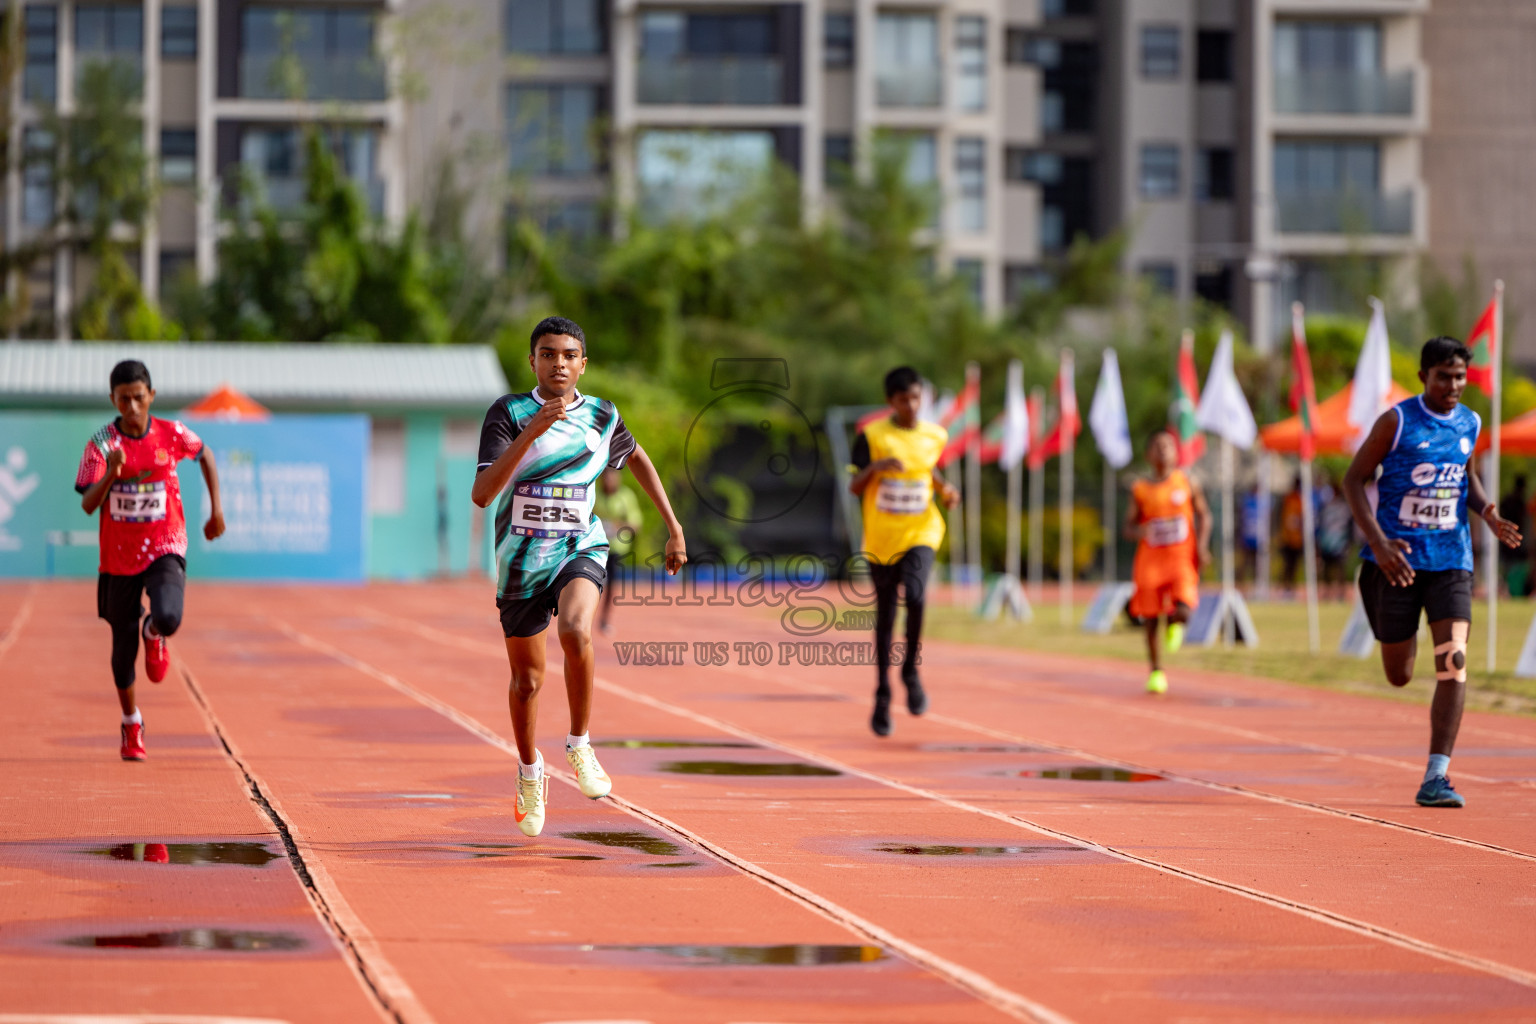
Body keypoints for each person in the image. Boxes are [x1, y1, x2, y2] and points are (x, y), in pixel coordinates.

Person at [472, 316, 686, 838]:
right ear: (533, 362)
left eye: (569, 355)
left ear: (582, 364)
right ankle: (529, 773)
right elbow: (483, 494)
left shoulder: (602, 415)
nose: (559, 363)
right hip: (522, 560)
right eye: (548, 354)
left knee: (576, 630)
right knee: (526, 681)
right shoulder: (508, 413)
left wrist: (674, 527)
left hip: (579, 545)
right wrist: (532, 433)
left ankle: (580, 743)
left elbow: (637, 460)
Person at [1343, 336, 1521, 808]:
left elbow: (1466, 473)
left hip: (1451, 560)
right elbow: (1353, 479)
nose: (1454, 385)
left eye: (1461, 376)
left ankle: (1436, 777)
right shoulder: (1397, 421)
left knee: (1453, 661)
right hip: (1396, 564)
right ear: (1424, 376)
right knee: (1399, 675)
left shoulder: (1470, 421)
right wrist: (1378, 544)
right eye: (1444, 376)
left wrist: (1487, 512)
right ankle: (1401, 629)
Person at [74, 360, 225, 762]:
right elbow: (89, 504)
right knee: (123, 654)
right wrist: (111, 476)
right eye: (123, 399)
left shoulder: (172, 433)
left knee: (171, 616)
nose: (132, 407)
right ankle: (131, 723)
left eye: (139, 397)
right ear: (113, 400)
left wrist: (216, 511)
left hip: (164, 544)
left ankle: (154, 630)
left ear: (151, 396)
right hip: (119, 557)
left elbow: (206, 455)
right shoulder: (101, 444)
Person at [848, 366, 959, 737]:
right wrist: (876, 467)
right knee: (886, 615)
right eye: (903, 399)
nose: (911, 405)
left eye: (916, 397)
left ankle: (910, 671)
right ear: (890, 402)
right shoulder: (872, 436)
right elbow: (854, 486)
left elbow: (929, 471)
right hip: (882, 538)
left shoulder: (935, 435)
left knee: (916, 594)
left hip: (921, 530)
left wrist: (945, 491)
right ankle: (882, 692)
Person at [1125, 429, 1211, 695]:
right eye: (1158, 446)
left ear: (1176, 453)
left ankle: (1175, 624)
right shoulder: (1140, 489)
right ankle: (1156, 670)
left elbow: (1205, 516)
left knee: (1184, 608)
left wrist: (1204, 546)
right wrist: (1140, 531)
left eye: (1168, 446)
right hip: (1150, 561)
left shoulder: (1186, 483)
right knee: (1150, 618)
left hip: (1181, 559)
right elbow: (1127, 526)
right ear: (1149, 454)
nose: (1163, 451)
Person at [592, 466, 642, 634]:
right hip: (594, 546)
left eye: (612, 476)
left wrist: (617, 526)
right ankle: (584, 615)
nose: (609, 480)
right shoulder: (594, 494)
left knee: (611, 585)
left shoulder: (626, 497)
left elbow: (636, 525)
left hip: (616, 548)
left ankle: (605, 619)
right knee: (589, 582)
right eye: (606, 476)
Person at [1317, 478, 1354, 600]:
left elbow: (1350, 525)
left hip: (1340, 541)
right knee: (1327, 568)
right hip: (1327, 541)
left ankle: (1341, 593)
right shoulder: (1326, 507)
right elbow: (1320, 524)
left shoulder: (1344, 507)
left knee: (1340, 568)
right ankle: (1327, 592)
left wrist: (1349, 541)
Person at [1499, 474, 1530, 596]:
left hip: (1506, 538)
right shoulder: (1519, 502)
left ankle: (1509, 591)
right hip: (1516, 540)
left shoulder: (1508, 499)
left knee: (1509, 568)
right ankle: (1510, 592)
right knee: (1513, 568)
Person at [1279, 475, 1305, 591]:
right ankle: (1285, 585)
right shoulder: (1288, 498)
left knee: (1294, 565)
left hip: (1297, 539)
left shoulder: (1301, 499)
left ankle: (1291, 585)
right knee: (1287, 564)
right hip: (1287, 537)